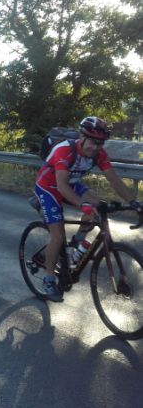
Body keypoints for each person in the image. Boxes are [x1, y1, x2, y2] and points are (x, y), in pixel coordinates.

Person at [34, 116, 140, 302]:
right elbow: (62, 186)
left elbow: (114, 180)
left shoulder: (100, 154)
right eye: (92, 141)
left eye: (100, 143)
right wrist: (82, 204)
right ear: (81, 137)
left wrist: (133, 201)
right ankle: (48, 279)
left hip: (72, 183)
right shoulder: (65, 150)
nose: (96, 147)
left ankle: (77, 241)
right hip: (49, 187)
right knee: (58, 235)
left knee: (98, 206)